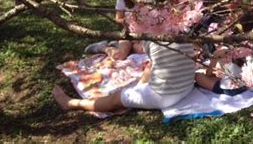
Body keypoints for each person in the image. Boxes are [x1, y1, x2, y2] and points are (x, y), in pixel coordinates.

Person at [53, 41, 195, 112]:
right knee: (150, 70)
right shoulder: (184, 33)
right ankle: (139, 88)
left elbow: (150, 65)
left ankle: (70, 103)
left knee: (115, 99)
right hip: (188, 87)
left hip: (164, 96)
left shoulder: (150, 38)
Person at [85, 0, 154, 59]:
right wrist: (128, 21)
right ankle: (102, 47)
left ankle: (122, 46)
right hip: (128, 33)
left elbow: (153, 17)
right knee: (119, 56)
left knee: (143, 52)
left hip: (143, 34)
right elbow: (118, 19)